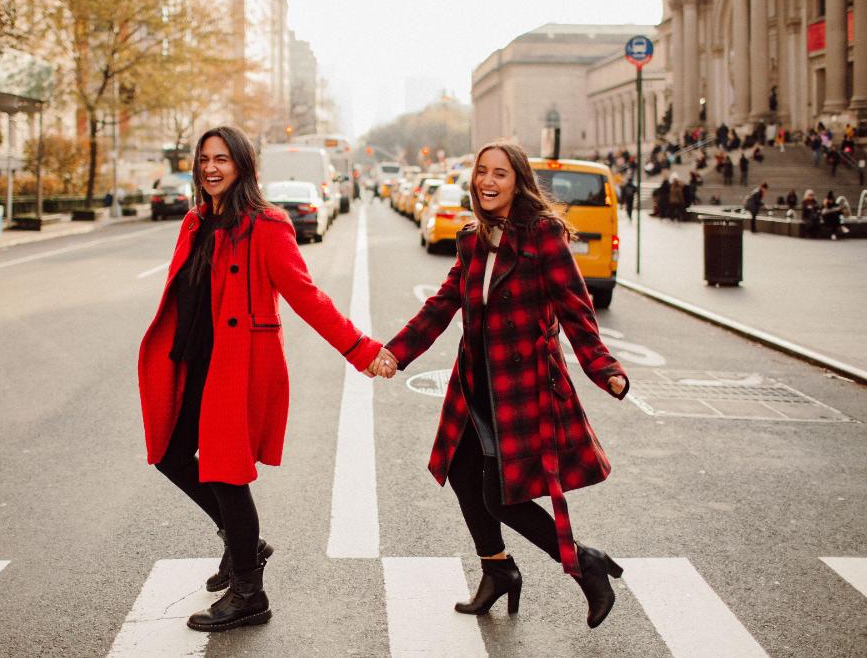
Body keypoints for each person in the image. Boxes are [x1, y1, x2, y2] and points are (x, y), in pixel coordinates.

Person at [137, 125, 393, 633]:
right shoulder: (194, 222)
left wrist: (362, 350)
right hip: (193, 363)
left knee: (225, 473)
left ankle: (250, 594)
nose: (212, 168)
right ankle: (244, 543)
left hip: (236, 367)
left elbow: (307, 296)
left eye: (223, 159)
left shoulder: (266, 225)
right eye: (205, 159)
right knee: (169, 454)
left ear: (243, 166)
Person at [373, 141, 630, 629]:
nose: (487, 182)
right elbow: (442, 305)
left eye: (500, 174)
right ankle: (498, 571)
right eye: (482, 172)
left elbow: (576, 308)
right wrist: (396, 352)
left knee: (500, 495)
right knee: (464, 474)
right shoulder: (472, 237)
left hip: (523, 386)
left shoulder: (543, 234)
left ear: (519, 182)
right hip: (475, 382)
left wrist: (604, 368)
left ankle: (585, 564)